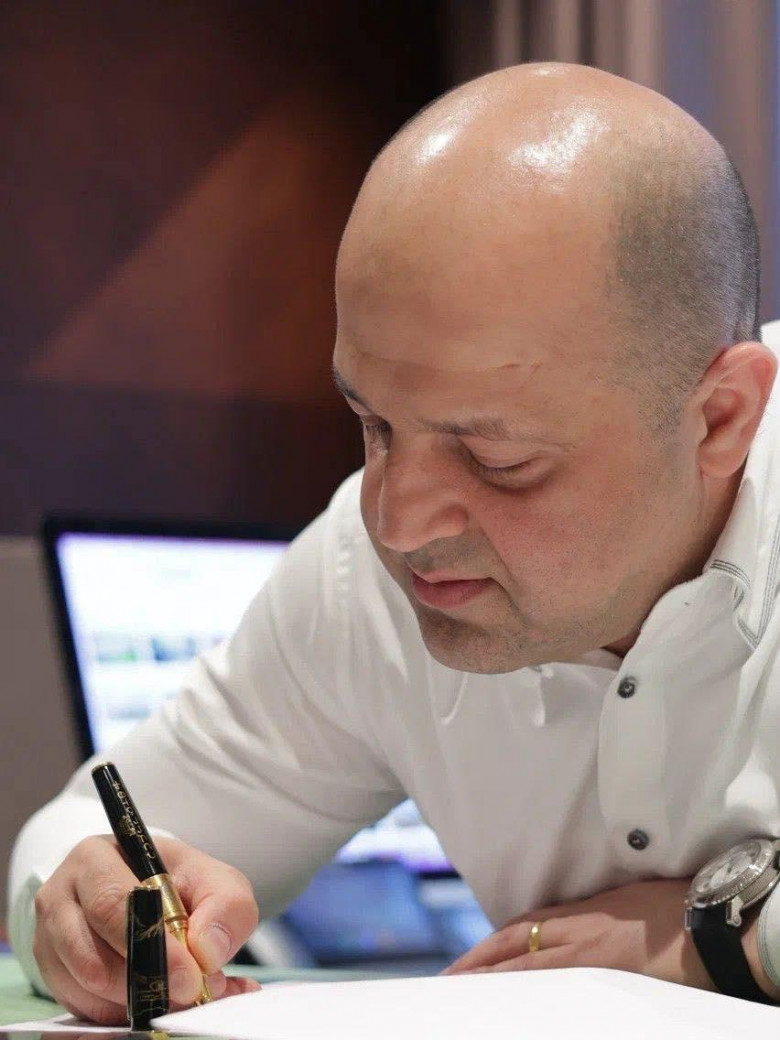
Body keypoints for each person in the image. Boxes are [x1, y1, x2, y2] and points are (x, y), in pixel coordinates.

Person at [9, 60, 780, 1024]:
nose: (398, 522)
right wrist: (85, 917)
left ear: (720, 419)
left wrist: (727, 941)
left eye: (496, 458)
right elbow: (83, 834)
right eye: (372, 423)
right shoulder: (361, 576)